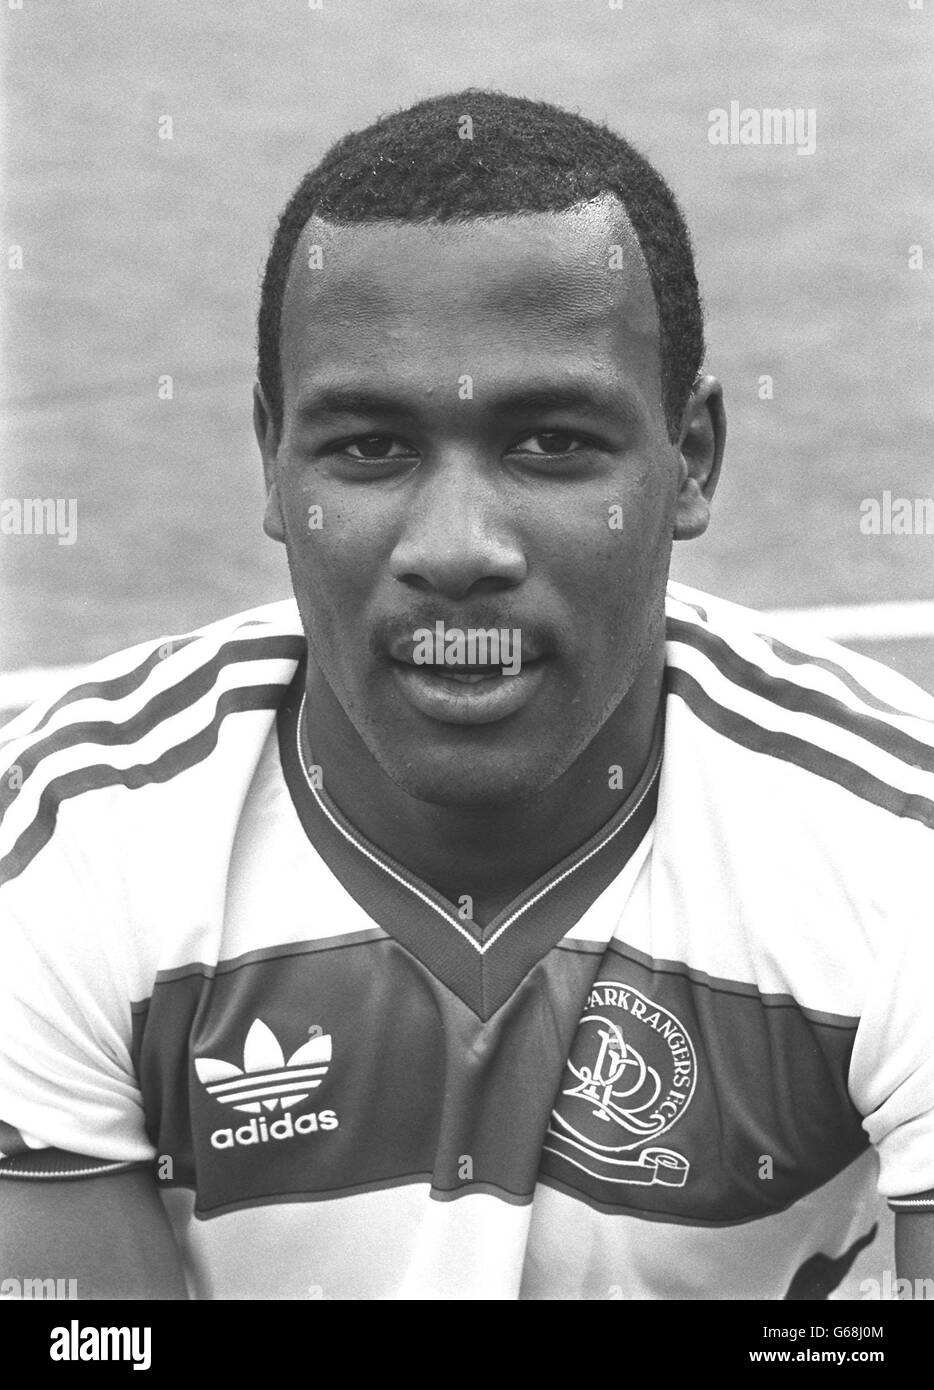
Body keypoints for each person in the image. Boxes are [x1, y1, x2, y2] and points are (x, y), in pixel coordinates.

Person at [0, 90, 931, 1302]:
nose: (456, 548)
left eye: (550, 442)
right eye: (370, 448)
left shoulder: (896, 853)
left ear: (691, 456)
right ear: (272, 461)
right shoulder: (64, 847)